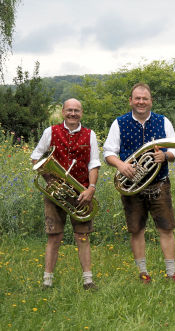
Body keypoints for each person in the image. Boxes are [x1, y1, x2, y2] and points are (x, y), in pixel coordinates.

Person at [103, 83, 175, 283]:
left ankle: (171, 273)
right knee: (136, 230)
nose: (141, 102)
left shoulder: (163, 121)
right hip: (132, 186)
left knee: (166, 229)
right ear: (130, 101)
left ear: (150, 101)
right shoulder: (119, 123)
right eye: (137, 98)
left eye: (144, 98)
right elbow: (108, 152)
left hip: (159, 184)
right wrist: (120, 165)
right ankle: (143, 273)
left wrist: (165, 156)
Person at [31, 98, 100, 290]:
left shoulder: (90, 134)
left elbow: (94, 163)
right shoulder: (50, 131)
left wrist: (91, 188)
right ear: (62, 112)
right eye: (69, 110)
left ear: (81, 113)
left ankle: (88, 280)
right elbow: (36, 156)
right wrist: (50, 180)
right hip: (55, 193)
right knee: (54, 236)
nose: (73, 113)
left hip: (81, 193)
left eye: (77, 110)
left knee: (82, 236)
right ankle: (47, 281)